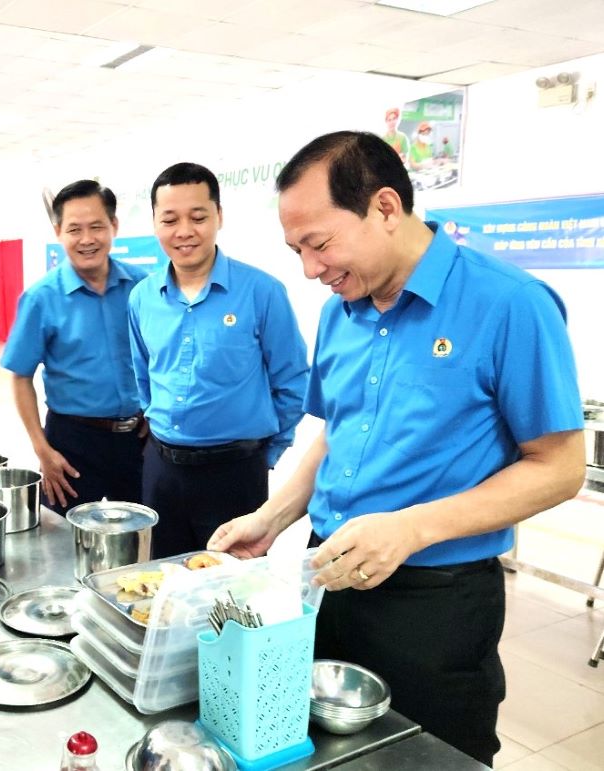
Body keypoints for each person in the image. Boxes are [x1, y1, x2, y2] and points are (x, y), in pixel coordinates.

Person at [209, 130, 584, 766]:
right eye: (296, 249)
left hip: (435, 603)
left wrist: (410, 529)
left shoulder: (508, 304)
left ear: (385, 207)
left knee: (429, 758)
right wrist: (272, 519)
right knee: (325, 749)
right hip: (327, 580)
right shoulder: (340, 310)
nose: (309, 268)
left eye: (319, 244)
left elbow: (559, 468)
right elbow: (337, 431)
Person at [128, 162, 309, 558]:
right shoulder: (142, 298)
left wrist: (268, 452)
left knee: (231, 590)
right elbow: (142, 374)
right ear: (155, 224)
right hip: (163, 471)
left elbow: (293, 381)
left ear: (219, 217)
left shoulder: (262, 292)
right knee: (162, 582)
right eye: (170, 219)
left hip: (235, 472)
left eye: (198, 217)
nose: (184, 231)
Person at [1, 180, 148, 513]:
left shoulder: (142, 287)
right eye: (74, 229)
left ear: (114, 226)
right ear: (58, 232)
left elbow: (160, 356)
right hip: (72, 443)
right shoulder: (41, 298)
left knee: (146, 537)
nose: (86, 239)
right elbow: (20, 376)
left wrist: (155, 411)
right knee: (66, 542)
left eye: (97, 227)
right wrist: (43, 451)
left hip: (138, 439)